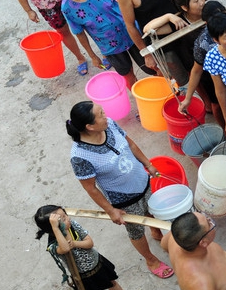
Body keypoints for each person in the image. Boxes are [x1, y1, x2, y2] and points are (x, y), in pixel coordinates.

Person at [67, 102, 172, 278]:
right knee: (136, 231)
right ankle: (151, 260)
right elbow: (91, 188)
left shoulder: (110, 124)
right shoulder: (80, 156)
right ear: (90, 126)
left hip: (142, 180)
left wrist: (148, 164)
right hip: (124, 199)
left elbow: (130, 144)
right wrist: (111, 211)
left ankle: (155, 231)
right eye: (100, 114)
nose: (105, 115)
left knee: (152, 209)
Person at [34, 205, 149, 290]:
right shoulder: (53, 245)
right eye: (63, 219)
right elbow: (65, 248)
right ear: (53, 229)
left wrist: (75, 243)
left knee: (112, 283)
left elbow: (89, 243)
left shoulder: (73, 226)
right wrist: (56, 228)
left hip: (97, 263)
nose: (68, 219)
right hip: (83, 277)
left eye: (66, 215)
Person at [45, 0, 155, 92]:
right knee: (127, 74)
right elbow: (79, 33)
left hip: (131, 32)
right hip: (109, 46)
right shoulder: (67, 8)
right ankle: (142, 101)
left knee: (152, 65)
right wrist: (93, 56)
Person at [179, 0, 226, 128]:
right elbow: (197, 71)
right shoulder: (204, 46)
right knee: (217, 103)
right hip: (212, 76)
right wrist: (188, 98)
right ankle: (225, 129)